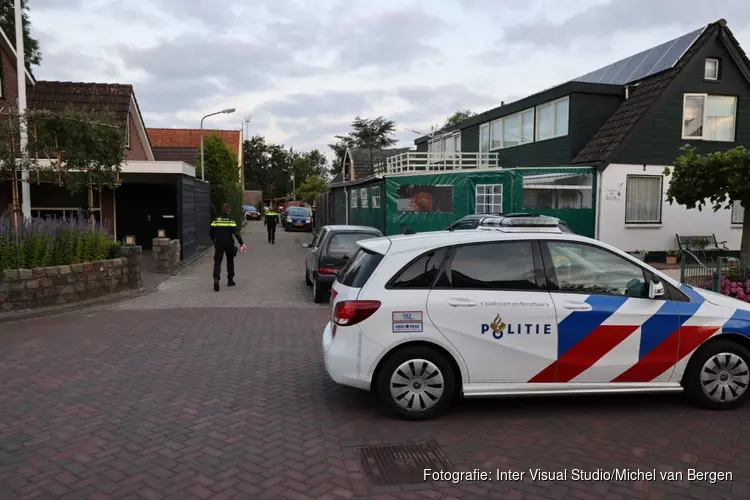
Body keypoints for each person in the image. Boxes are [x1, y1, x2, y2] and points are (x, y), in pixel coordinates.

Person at [210, 203, 246, 291]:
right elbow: (236, 233)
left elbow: (211, 232)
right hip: (229, 243)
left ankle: (216, 278)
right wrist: (242, 243)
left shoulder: (216, 220)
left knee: (217, 261)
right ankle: (230, 280)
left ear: (221, 210)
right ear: (229, 210)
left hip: (219, 243)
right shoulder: (230, 220)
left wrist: (214, 240)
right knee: (230, 261)